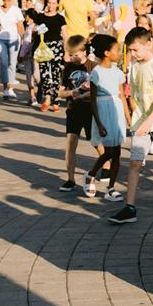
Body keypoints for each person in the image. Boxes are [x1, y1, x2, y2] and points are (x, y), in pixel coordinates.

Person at [109, 27, 153, 224]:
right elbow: (133, 94)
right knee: (135, 162)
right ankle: (130, 207)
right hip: (141, 121)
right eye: (130, 50)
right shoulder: (135, 66)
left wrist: (150, 121)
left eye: (136, 50)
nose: (133, 54)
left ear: (149, 44)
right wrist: (136, 118)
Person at [85, 35, 130, 201]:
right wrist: (98, 122)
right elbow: (93, 100)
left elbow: (122, 96)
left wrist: (128, 118)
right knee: (109, 152)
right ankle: (91, 174)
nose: (119, 52)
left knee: (116, 152)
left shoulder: (118, 72)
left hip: (116, 109)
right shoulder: (96, 73)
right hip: (104, 111)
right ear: (106, 52)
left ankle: (111, 187)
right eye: (116, 50)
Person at [57, 35, 93, 192]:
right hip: (73, 110)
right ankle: (70, 179)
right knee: (70, 144)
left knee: (97, 144)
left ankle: (107, 170)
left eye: (76, 55)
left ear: (85, 51)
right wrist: (72, 93)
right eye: (70, 55)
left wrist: (86, 94)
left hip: (91, 110)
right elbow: (61, 93)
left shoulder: (94, 66)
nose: (72, 58)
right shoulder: (68, 68)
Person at [34, 0, 68, 112]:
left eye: (54, 3)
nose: (51, 5)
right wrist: (37, 29)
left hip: (57, 47)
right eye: (49, 2)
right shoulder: (40, 16)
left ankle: (56, 100)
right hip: (43, 47)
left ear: (57, 4)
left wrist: (67, 51)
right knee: (44, 73)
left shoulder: (60, 18)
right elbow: (34, 29)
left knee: (56, 73)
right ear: (46, 3)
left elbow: (65, 35)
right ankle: (47, 97)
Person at [0, 0, 25, 100]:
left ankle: (9, 87)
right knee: (4, 63)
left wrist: (24, 40)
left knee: (12, 63)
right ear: (2, 0)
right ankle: (7, 88)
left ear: (12, 0)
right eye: (4, 0)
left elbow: (20, 25)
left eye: (9, 0)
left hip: (14, 39)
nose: (6, 3)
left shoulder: (16, 10)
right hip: (0, 39)